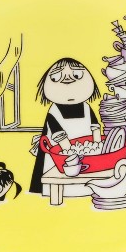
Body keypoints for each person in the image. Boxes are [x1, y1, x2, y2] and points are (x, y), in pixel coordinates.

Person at [29, 57, 101, 193]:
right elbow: (60, 136)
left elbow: (95, 128)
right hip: (61, 157)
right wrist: (72, 154)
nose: (68, 81)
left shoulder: (87, 107)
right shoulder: (54, 111)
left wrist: (97, 148)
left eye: (77, 76)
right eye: (56, 78)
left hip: (89, 154)